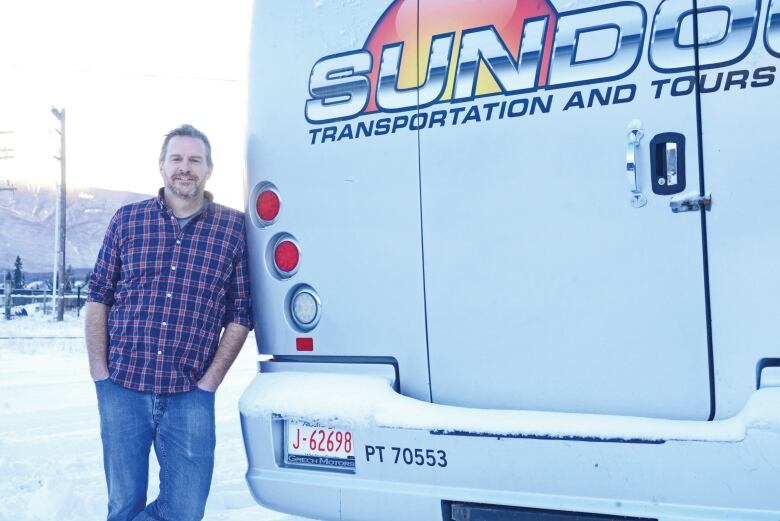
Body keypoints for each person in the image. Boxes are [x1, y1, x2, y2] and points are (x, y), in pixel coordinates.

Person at [85, 124, 253, 521]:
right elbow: (98, 297)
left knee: (185, 508)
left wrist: (209, 382)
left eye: (195, 159)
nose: (185, 167)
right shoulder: (127, 221)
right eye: (176, 158)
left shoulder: (233, 229)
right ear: (161, 166)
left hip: (189, 392)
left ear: (210, 168)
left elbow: (241, 313)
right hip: (122, 387)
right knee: (123, 504)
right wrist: (100, 374)